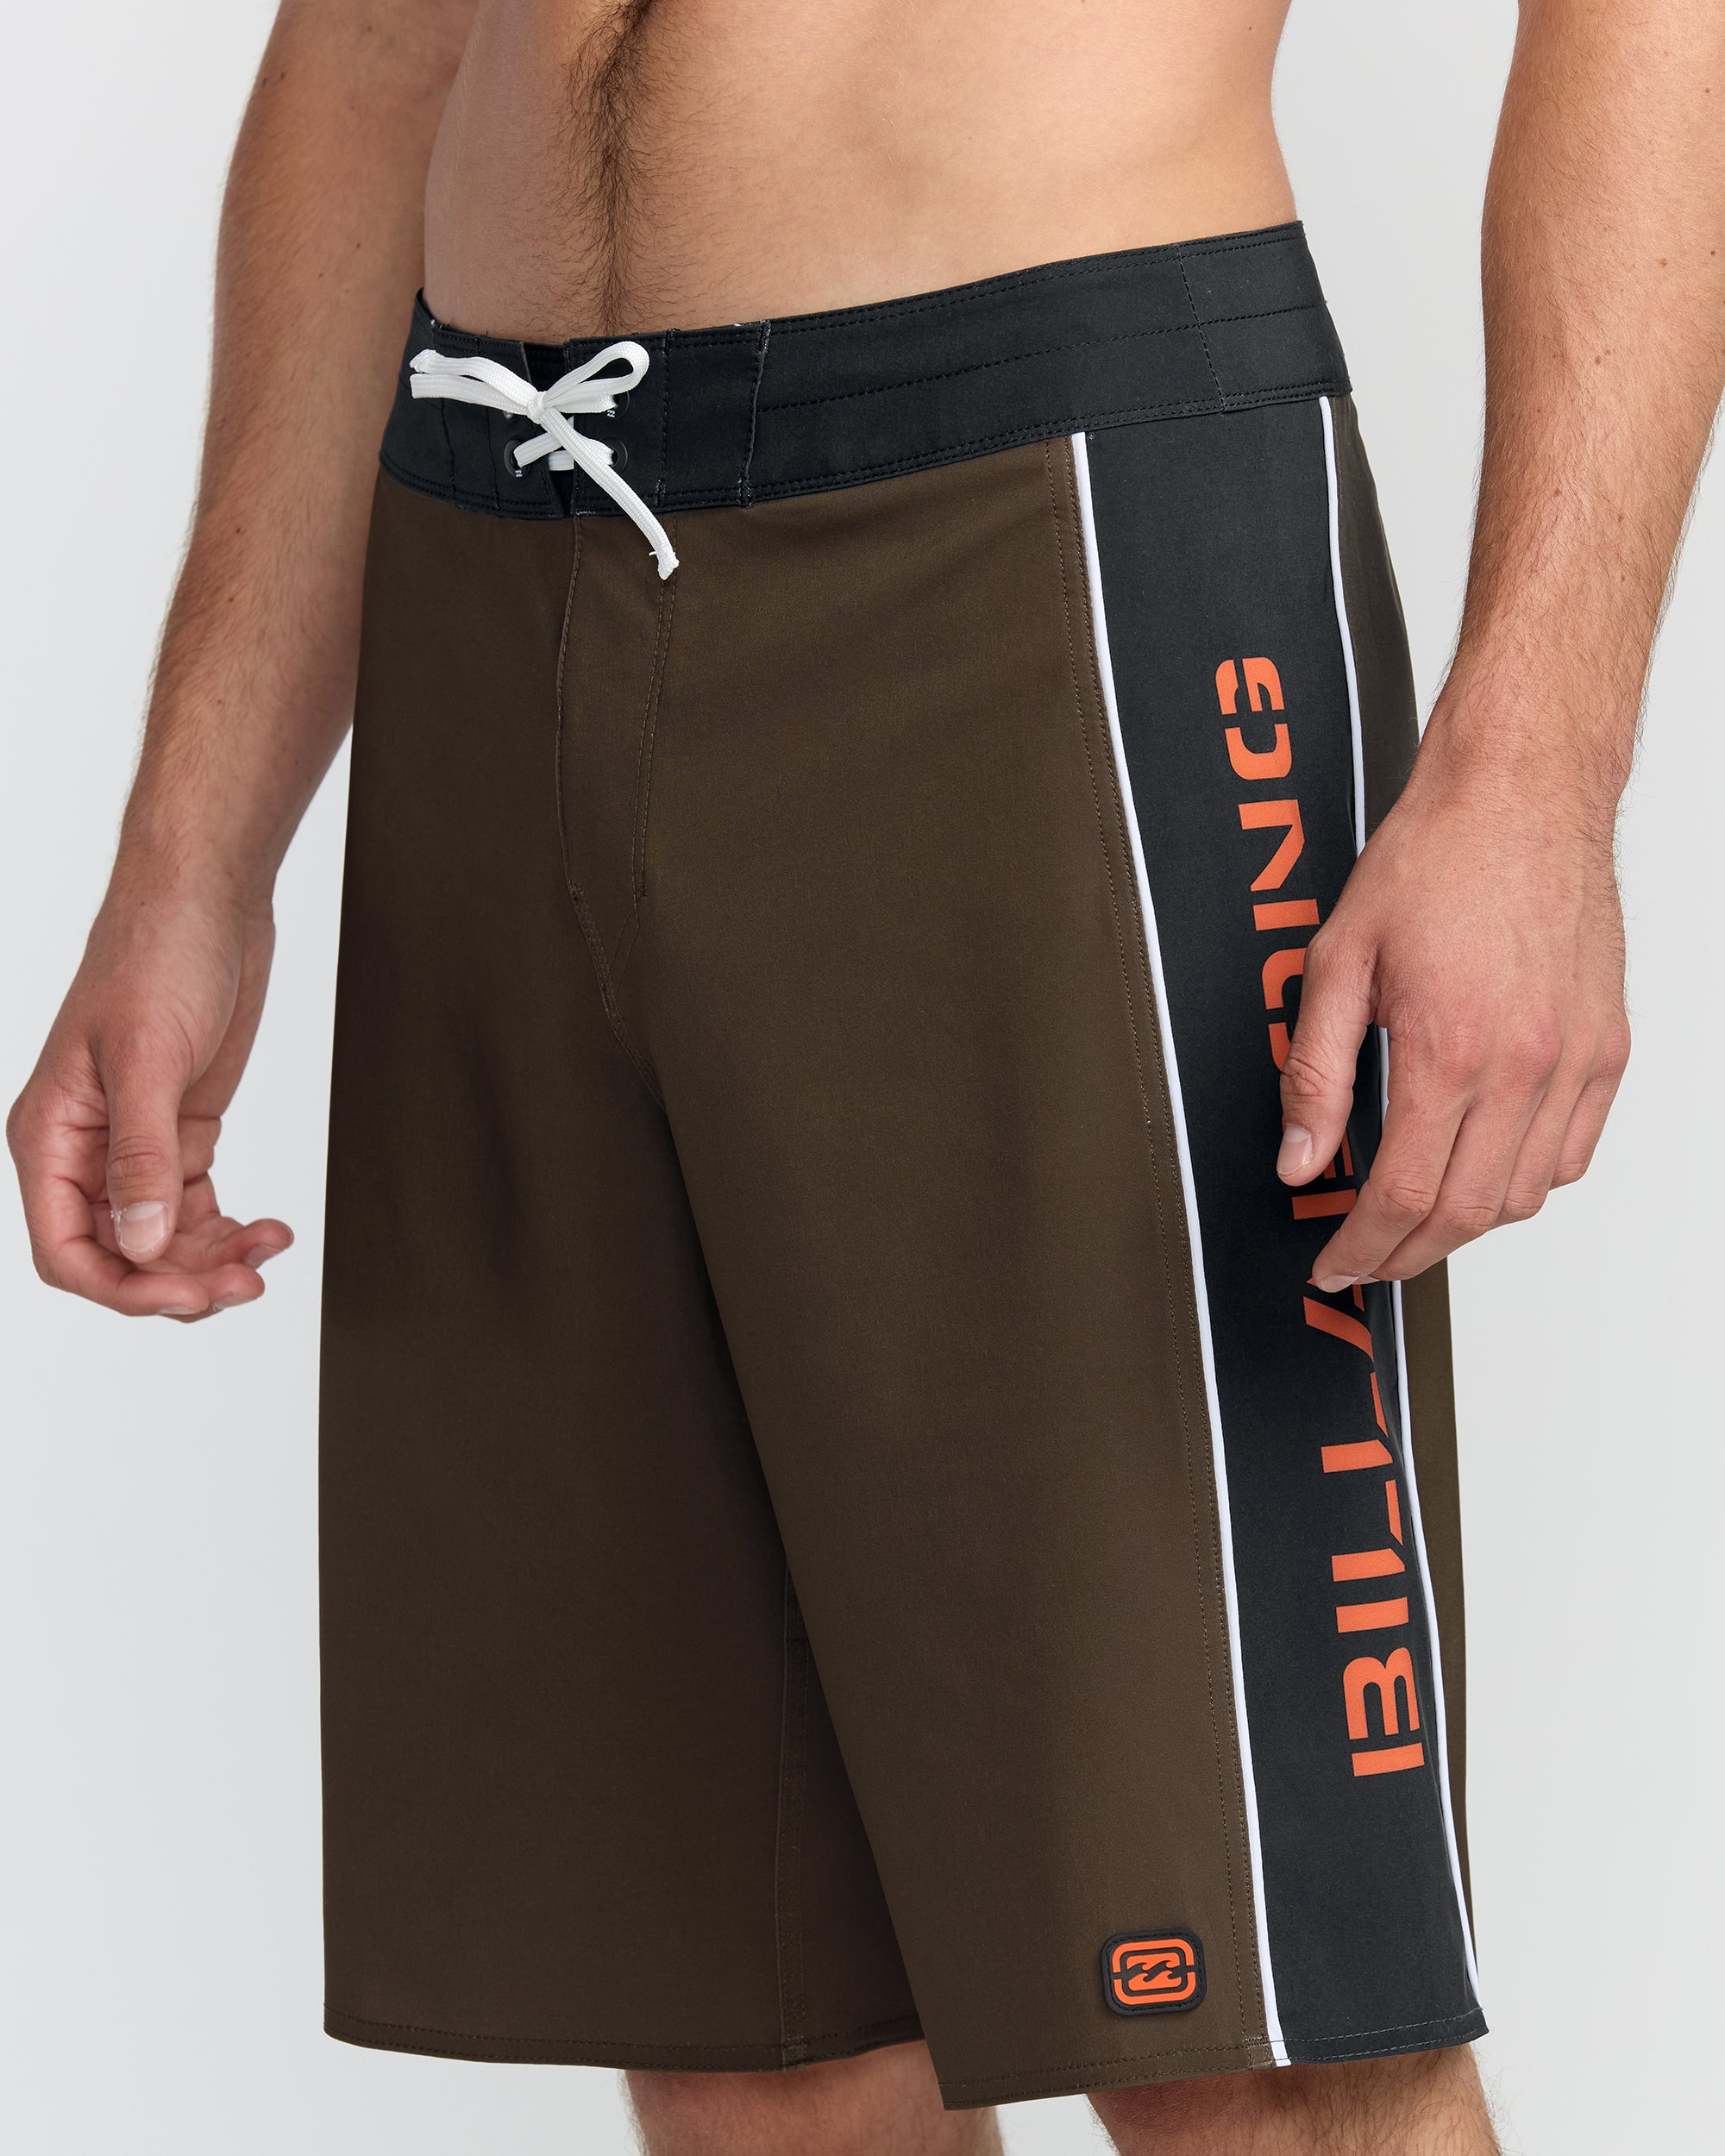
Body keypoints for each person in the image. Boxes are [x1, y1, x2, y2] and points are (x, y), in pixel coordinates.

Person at [9, 0, 1722, 2149]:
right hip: (502, 547)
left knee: (1249, 2029)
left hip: (1044, 517)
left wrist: (1536, 770)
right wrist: (191, 854)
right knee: (749, 2029)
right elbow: (369, 49)